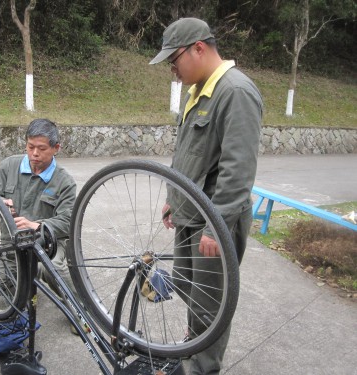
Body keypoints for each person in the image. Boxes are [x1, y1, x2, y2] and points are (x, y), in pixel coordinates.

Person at [150, 18, 263, 374]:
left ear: (199, 47)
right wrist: (173, 195)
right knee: (188, 286)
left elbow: (238, 169)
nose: (173, 69)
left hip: (214, 219)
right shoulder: (198, 90)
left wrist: (217, 227)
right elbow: (187, 151)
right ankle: (193, 347)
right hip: (190, 211)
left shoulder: (236, 92)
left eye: (175, 60)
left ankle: (202, 367)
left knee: (211, 303)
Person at [0, 118, 79, 332]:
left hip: (48, 243)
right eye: (30, 147)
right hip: (13, 245)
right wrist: (0, 205)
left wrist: (36, 225)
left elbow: (67, 221)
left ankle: (78, 306)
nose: (34, 153)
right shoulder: (9, 166)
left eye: (41, 148)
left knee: (52, 266)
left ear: (56, 148)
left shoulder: (65, 182)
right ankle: (24, 281)